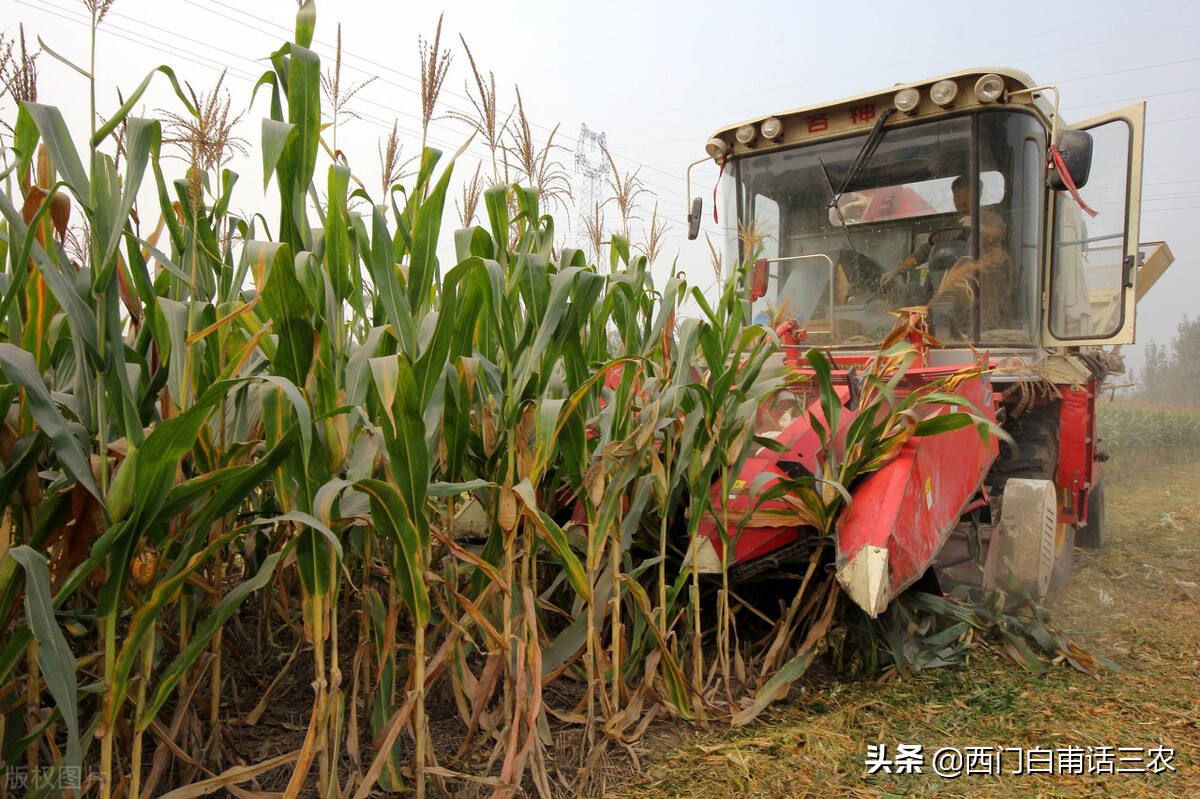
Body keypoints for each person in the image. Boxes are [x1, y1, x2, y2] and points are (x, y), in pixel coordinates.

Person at [880, 175, 1005, 288]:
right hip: (953, 285)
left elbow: (999, 233)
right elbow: (922, 254)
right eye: (958, 195)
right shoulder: (947, 228)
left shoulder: (990, 218)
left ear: (978, 195)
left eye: (967, 194)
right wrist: (897, 271)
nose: (962, 200)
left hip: (985, 284)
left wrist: (980, 229)